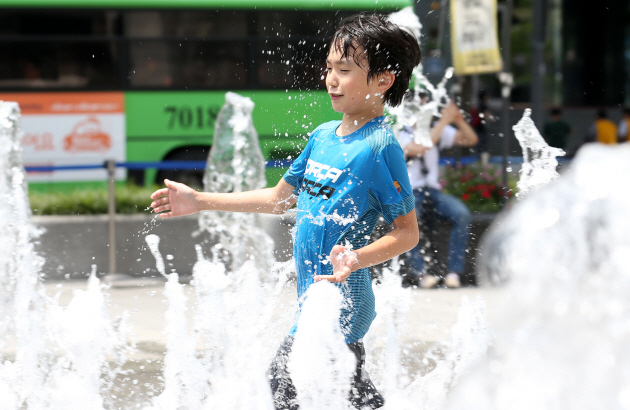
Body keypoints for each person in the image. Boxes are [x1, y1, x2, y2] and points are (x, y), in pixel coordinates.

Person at [150, 13, 421, 410]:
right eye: (329, 67)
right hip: (314, 298)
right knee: (340, 395)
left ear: (383, 79)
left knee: (283, 385)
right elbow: (280, 199)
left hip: (343, 298)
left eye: (344, 70)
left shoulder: (380, 148)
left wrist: (356, 258)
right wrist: (201, 201)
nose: (331, 78)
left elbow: (407, 233)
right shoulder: (322, 136)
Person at [398, 101, 478, 289]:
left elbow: (470, 139)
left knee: (461, 213)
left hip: (433, 191)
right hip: (410, 192)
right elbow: (422, 147)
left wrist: (458, 120)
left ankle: (453, 273)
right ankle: (421, 274)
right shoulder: (402, 134)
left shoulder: (436, 129)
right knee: (409, 220)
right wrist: (444, 121)